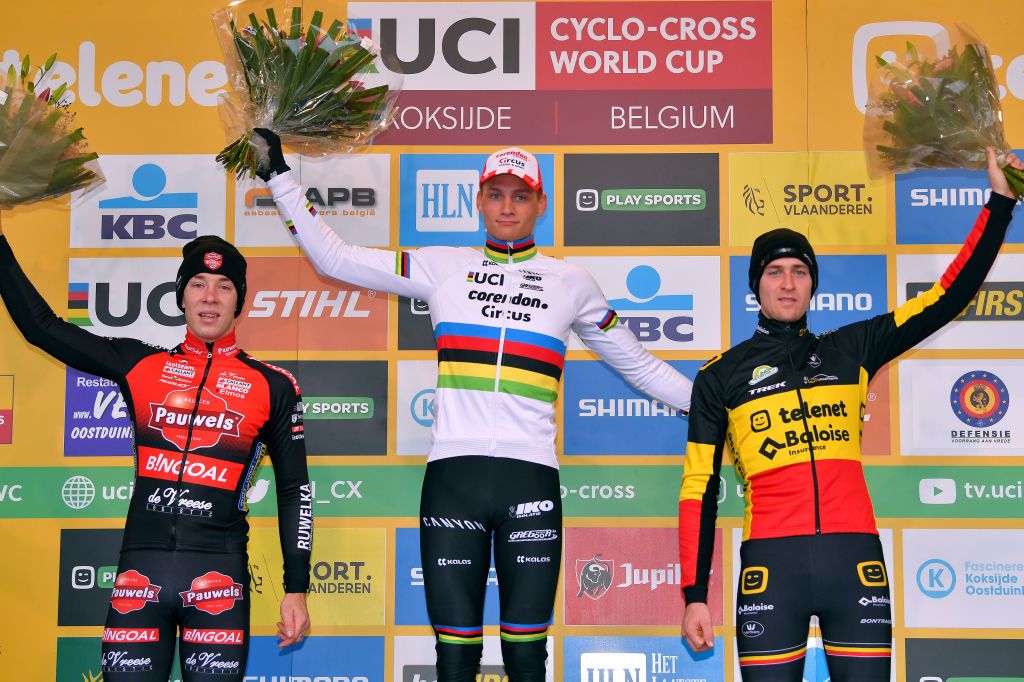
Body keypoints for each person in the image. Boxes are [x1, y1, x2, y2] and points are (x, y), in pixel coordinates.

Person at [252, 130, 693, 682]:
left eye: (520, 195)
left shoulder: (572, 282)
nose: (507, 206)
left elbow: (641, 366)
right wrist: (279, 177)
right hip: (452, 478)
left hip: (530, 481)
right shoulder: (444, 266)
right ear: (478, 200)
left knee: (528, 656)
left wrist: (716, 401)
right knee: (454, 657)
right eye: (496, 194)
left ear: (541, 205)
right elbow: (334, 257)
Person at [678, 148, 1022, 681]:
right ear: (756, 286)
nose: (788, 283)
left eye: (799, 271)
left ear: (814, 283)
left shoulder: (853, 348)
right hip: (773, 566)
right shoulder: (720, 376)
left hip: (854, 558)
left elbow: (947, 298)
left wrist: (1000, 201)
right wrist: (695, 595)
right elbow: (697, 488)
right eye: (774, 272)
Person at [0, 223, 313, 681]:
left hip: (219, 576)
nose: (210, 297)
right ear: (181, 297)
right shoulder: (141, 365)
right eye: (198, 285)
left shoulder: (273, 385)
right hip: (138, 577)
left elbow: (294, 490)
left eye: (224, 287)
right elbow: (40, 327)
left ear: (238, 301)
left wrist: (297, 587)